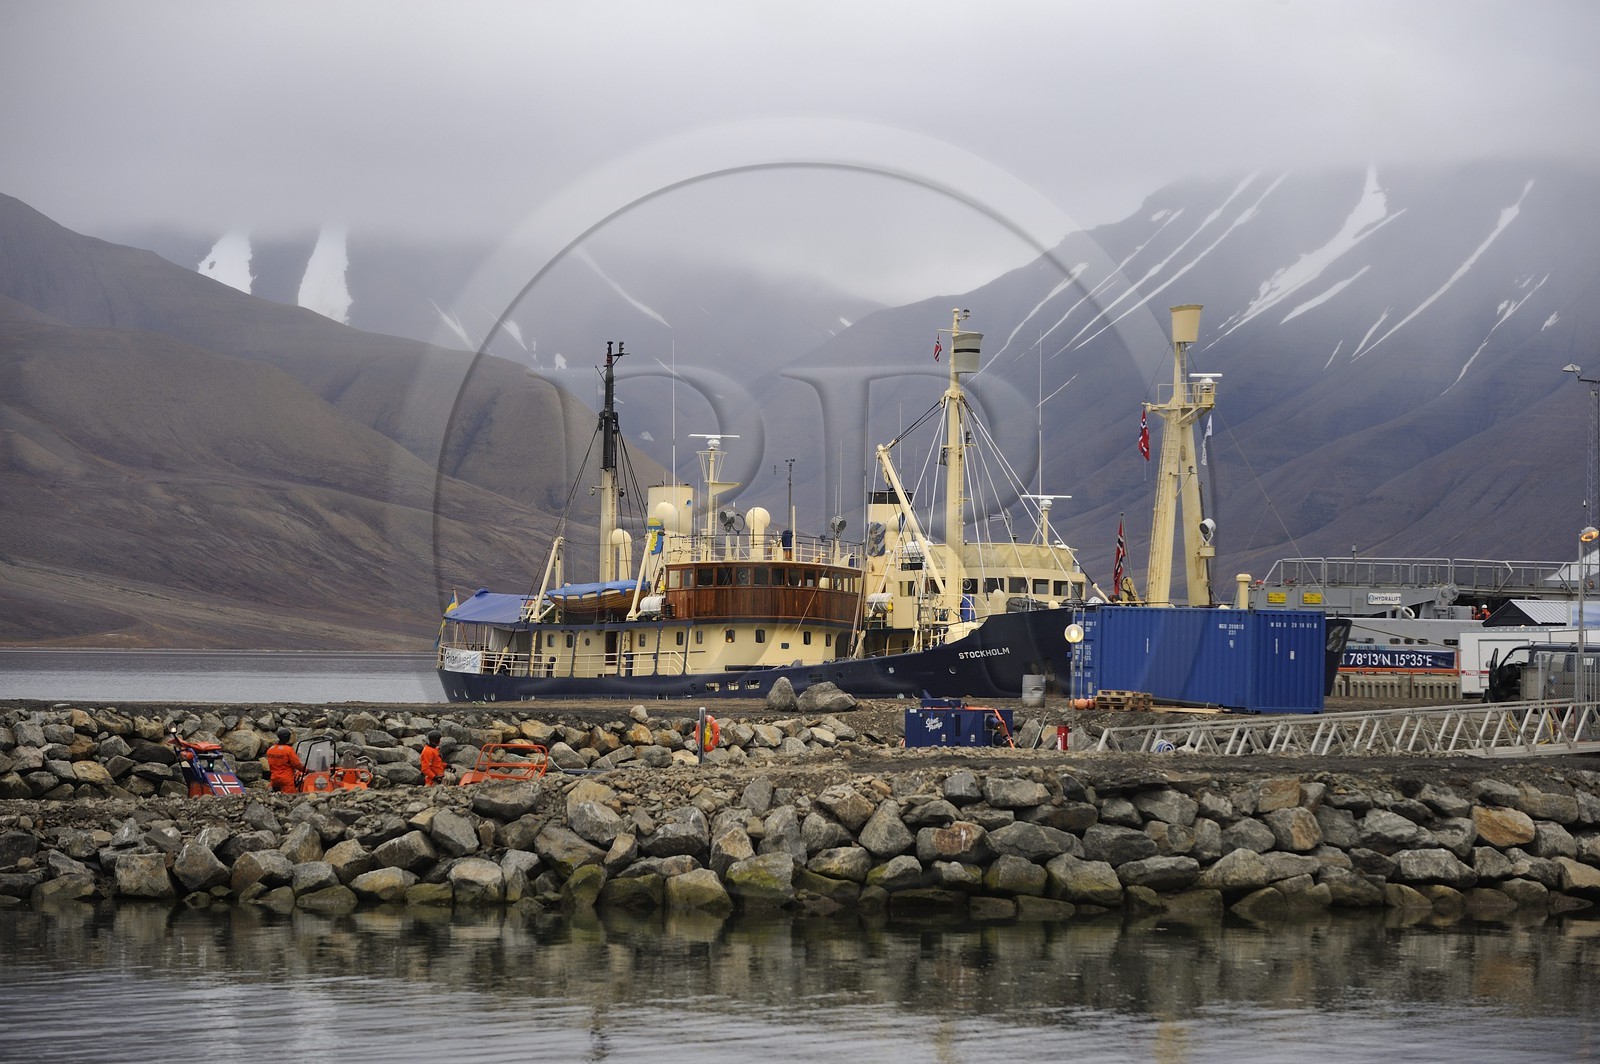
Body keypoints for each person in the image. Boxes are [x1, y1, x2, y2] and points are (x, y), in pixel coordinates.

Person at [265, 728, 304, 793]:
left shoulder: (270, 749)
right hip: (286, 779)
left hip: (274, 779)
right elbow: (297, 765)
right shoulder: (288, 750)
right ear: (288, 738)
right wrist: (306, 770)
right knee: (290, 797)